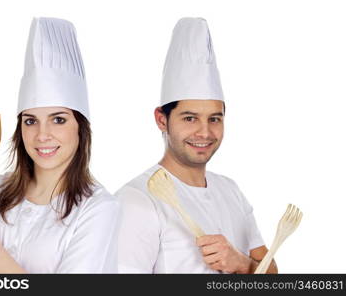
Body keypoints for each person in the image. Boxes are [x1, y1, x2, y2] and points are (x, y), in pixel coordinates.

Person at [0, 17, 120, 273]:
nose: (42, 135)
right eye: (30, 121)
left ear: (80, 128)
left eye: (58, 120)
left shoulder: (99, 209)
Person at [116, 17, 277, 274]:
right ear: (161, 119)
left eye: (214, 119)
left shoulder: (230, 190)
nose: (204, 132)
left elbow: (273, 274)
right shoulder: (136, 201)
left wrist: (243, 265)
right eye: (190, 118)